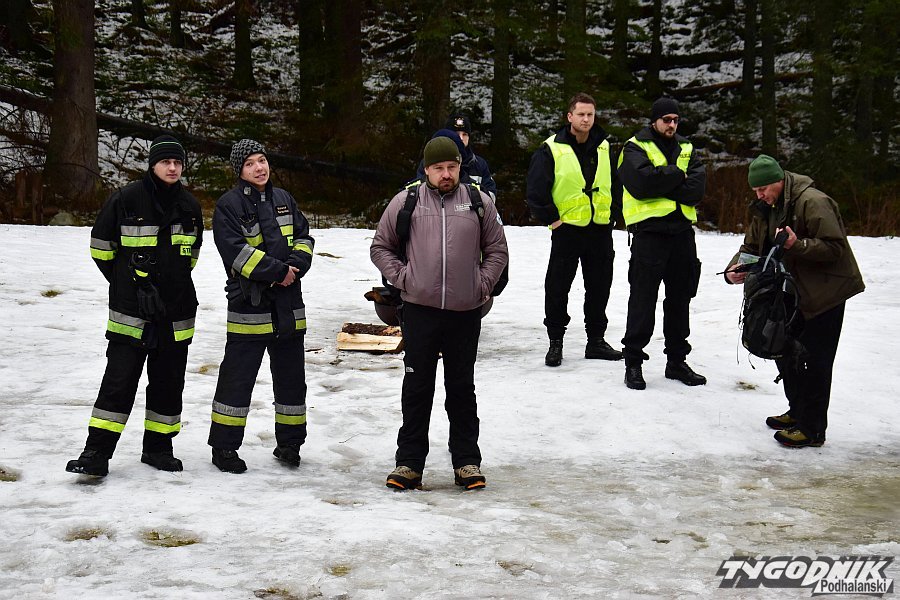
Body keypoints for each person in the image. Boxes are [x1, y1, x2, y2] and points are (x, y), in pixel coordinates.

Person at [371, 136, 508, 491]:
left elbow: (497, 249)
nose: (446, 174)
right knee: (417, 387)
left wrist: (482, 284)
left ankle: (466, 462)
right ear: (427, 170)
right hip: (420, 311)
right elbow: (381, 246)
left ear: (460, 167)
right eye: (438, 168)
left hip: (465, 312)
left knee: (461, 388)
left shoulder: (479, 202)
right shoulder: (406, 202)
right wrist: (405, 278)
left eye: (451, 167)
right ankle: (409, 463)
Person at [66, 135, 203, 477]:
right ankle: (96, 453)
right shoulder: (126, 198)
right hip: (131, 311)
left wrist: (169, 286)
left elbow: (192, 256)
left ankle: (159, 449)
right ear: (152, 165)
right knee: (119, 382)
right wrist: (127, 283)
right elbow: (101, 247)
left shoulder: (189, 205)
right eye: (166, 162)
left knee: (168, 384)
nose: (172, 168)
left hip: (175, 311)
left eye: (178, 162)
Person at [724, 155, 864, 447]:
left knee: (815, 361)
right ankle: (797, 412)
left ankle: (812, 430)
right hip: (791, 292)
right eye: (755, 190)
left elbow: (835, 248)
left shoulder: (813, 201)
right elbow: (751, 247)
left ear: (778, 180)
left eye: (763, 189)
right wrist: (735, 268)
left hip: (825, 293)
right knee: (785, 352)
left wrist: (796, 245)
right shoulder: (765, 208)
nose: (759, 195)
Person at [207, 139, 315, 473]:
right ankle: (224, 448)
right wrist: (278, 272)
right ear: (239, 170)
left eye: (262, 160)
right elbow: (235, 252)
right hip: (249, 309)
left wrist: (296, 265)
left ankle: (290, 444)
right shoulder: (228, 205)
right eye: (250, 163)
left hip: (288, 306)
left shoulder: (284, 199)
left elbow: (304, 238)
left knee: (291, 380)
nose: (259, 168)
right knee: (237, 380)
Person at [526, 92, 623, 367]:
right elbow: (536, 189)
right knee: (557, 288)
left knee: (599, 287)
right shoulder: (551, 148)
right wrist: (553, 219)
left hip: (600, 230)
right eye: (580, 114)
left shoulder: (604, 147)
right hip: (567, 229)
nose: (586, 119)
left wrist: (614, 214)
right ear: (570, 116)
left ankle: (596, 341)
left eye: (590, 114)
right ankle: (555, 341)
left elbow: (617, 184)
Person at [617, 97, 707, 390]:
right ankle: (633, 362)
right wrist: (677, 175)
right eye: (666, 120)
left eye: (675, 120)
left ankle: (677, 361)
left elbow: (696, 190)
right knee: (642, 299)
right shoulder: (634, 147)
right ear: (654, 120)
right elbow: (641, 185)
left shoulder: (687, 147)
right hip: (650, 233)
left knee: (680, 299)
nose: (672, 125)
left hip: (682, 233)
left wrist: (662, 181)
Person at [414, 113, 498, 201]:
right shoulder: (431, 161)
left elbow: (490, 196)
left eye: (465, 134)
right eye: (457, 134)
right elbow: (421, 192)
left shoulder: (479, 164)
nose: (461, 138)